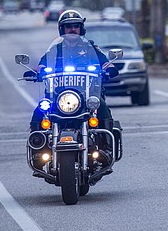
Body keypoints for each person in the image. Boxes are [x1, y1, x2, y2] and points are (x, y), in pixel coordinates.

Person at [30, 10, 119, 152]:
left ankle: (106, 147)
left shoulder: (90, 47)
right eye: (68, 26)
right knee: (40, 110)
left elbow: (106, 63)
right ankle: (37, 149)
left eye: (76, 26)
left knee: (100, 105)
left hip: (86, 95)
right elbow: (42, 65)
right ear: (62, 29)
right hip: (58, 95)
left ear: (81, 28)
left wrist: (110, 69)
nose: (72, 29)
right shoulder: (55, 49)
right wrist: (36, 73)